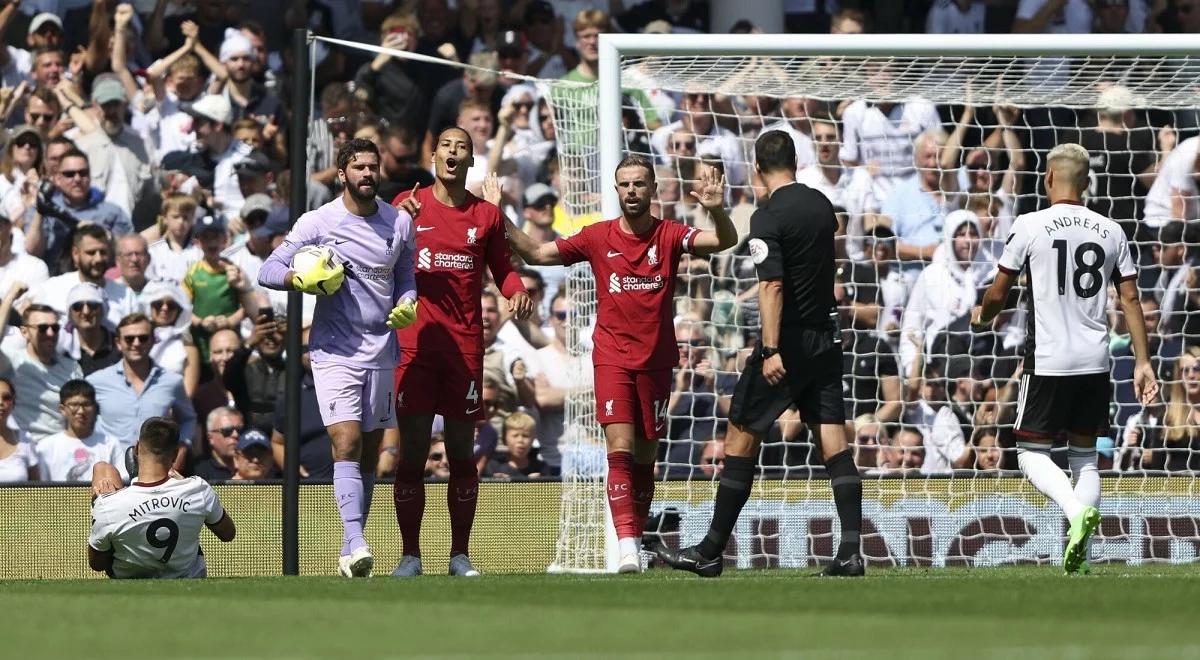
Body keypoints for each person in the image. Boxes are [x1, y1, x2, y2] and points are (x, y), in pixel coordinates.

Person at [502, 155, 737, 573]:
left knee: (647, 456)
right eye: (624, 184)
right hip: (611, 359)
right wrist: (492, 213)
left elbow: (723, 241)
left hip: (658, 361)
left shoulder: (669, 235)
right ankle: (626, 545)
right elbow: (536, 251)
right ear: (616, 190)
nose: (631, 191)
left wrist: (717, 208)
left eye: (639, 184)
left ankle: (637, 537)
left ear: (650, 190)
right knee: (621, 451)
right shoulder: (597, 237)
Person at [652, 130, 863, 578]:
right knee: (834, 443)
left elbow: (771, 285)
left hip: (785, 342)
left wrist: (769, 349)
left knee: (740, 437)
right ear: (795, 160)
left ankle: (710, 550)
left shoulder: (767, 218)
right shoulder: (823, 206)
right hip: (827, 337)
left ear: (757, 167)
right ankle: (849, 551)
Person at [972, 142, 1160, 575]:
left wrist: (983, 318)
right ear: (1088, 182)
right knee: (1085, 458)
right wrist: (1143, 362)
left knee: (1029, 454)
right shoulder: (1110, 230)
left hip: (1049, 360)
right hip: (1095, 361)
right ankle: (1084, 556)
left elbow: (998, 294)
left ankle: (1075, 512)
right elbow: (1130, 297)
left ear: (1049, 178)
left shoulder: (1030, 224)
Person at [259, 138, 417, 579]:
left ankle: (352, 549)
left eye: (373, 167)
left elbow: (405, 273)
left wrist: (408, 301)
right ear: (342, 172)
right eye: (359, 167)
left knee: (368, 452)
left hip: (382, 350)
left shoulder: (399, 222)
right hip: (335, 351)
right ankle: (355, 540)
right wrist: (301, 279)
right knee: (345, 441)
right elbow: (267, 270)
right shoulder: (319, 221)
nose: (368, 174)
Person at [388, 127, 532, 579]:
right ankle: (410, 555)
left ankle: (459, 555)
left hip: (465, 350)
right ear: (433, 156)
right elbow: (381, 262)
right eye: (447, 146)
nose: (453, 153)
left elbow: (503, 270)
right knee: (411, 454)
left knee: (461, 455)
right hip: (414, 346)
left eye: (462, 148)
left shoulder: (485, 216)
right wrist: (398, 226)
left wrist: (517, 290)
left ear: (470, 162)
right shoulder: (405, 206)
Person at [87, 417, 236, 579]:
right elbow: (228, 534)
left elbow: (97, 564)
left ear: (136, 449)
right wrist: (184, 483)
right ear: (175, 454)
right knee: (103, 469)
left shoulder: (109, 505)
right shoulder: (198, 489)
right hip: (189, 585)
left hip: (130, 588)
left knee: (102, 469)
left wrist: (99, 505)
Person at [87, 313, 197, 469]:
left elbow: (188, 419)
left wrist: (183, 446)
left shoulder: (172, 382)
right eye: (129, 338)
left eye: (143, 338)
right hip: (110, 471)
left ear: (153, 341)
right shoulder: (96, 381)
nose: (136, 343)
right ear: (118, 343)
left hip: (157, 471)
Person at [35, 379, 122, 482]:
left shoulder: (110, 444)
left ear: (94, 407)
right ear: (62, 409)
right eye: (74, 405)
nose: (81, 411)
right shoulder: (46, 447)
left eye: (86, 404)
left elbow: (122, 480)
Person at [192, 406, 243, 482]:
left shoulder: (254, 465)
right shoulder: (197, 472)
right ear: (210, 438)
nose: (235, 435)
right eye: (227, 430)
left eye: (240, 430)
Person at [0, 378, 37, 482]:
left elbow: (37, 489)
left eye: (6, 398)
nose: (1, 402)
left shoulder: (26, 440)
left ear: (13, 402)